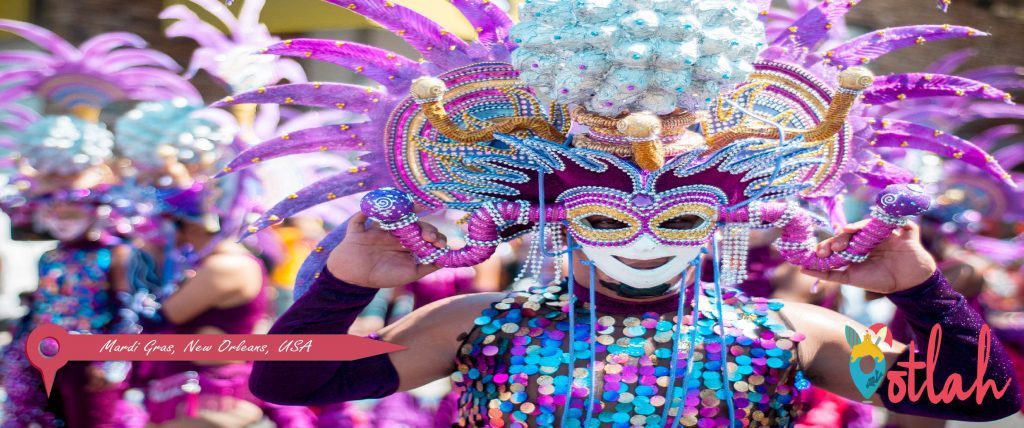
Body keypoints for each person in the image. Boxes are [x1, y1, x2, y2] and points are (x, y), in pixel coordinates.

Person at [217, 1, 1022, 426]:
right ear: (558, 223)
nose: (643, 239)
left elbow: (986, 398)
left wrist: (919, 290)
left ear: (720, 224)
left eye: (677, 220)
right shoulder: (481, 324)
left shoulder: (786, 335)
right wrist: (345, 284)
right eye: (606, 219)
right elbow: (291, 382)